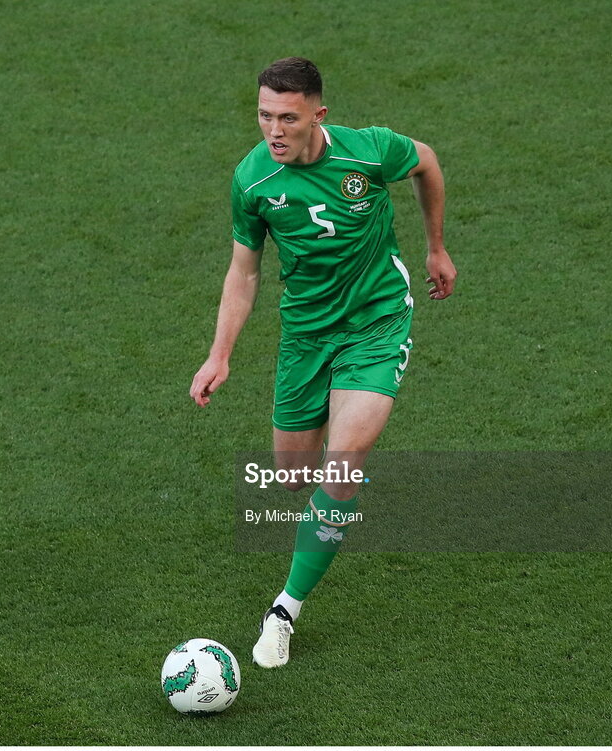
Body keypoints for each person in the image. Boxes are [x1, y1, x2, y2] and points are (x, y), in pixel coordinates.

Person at [190, 57, 456, 668]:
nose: (274, 131)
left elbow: (426, 161)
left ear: (318, 115)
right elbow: (244, 272)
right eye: (264, 116)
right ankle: (327, 516)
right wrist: (220, 354)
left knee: (344, 464)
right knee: (291, 478)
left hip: (376, 322)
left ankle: (284, 609)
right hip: (306, 336)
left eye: (288, 118)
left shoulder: (369, 152)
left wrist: (436, 247)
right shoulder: (253, 181)